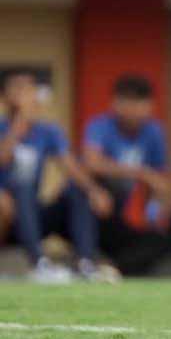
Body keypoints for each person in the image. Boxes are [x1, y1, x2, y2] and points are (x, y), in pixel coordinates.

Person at [0, 68, 111, 282]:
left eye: (30, 87)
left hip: (32, 213)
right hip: (6, 217)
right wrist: (19, 122)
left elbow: (70, 166)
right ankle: (38, 264)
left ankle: (86, 263)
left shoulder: (48, 131)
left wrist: (94, 191)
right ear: (5, 95)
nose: (26, 93)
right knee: (20, 186)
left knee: (76, 190)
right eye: (19, 87)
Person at [83, 74, 171, 274]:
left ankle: (113, 270)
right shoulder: (100, 126)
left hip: (117, 218)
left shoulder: (154, 132)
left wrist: (155, 212)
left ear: (150, 106)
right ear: (115, 103)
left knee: (159, 240)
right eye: (127, 102)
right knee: (89, 196)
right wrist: (141, 173)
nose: (133, 110)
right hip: (92, 210)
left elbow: (158, 181)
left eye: (139, 103)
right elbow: (92, 163)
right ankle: (87, 261)